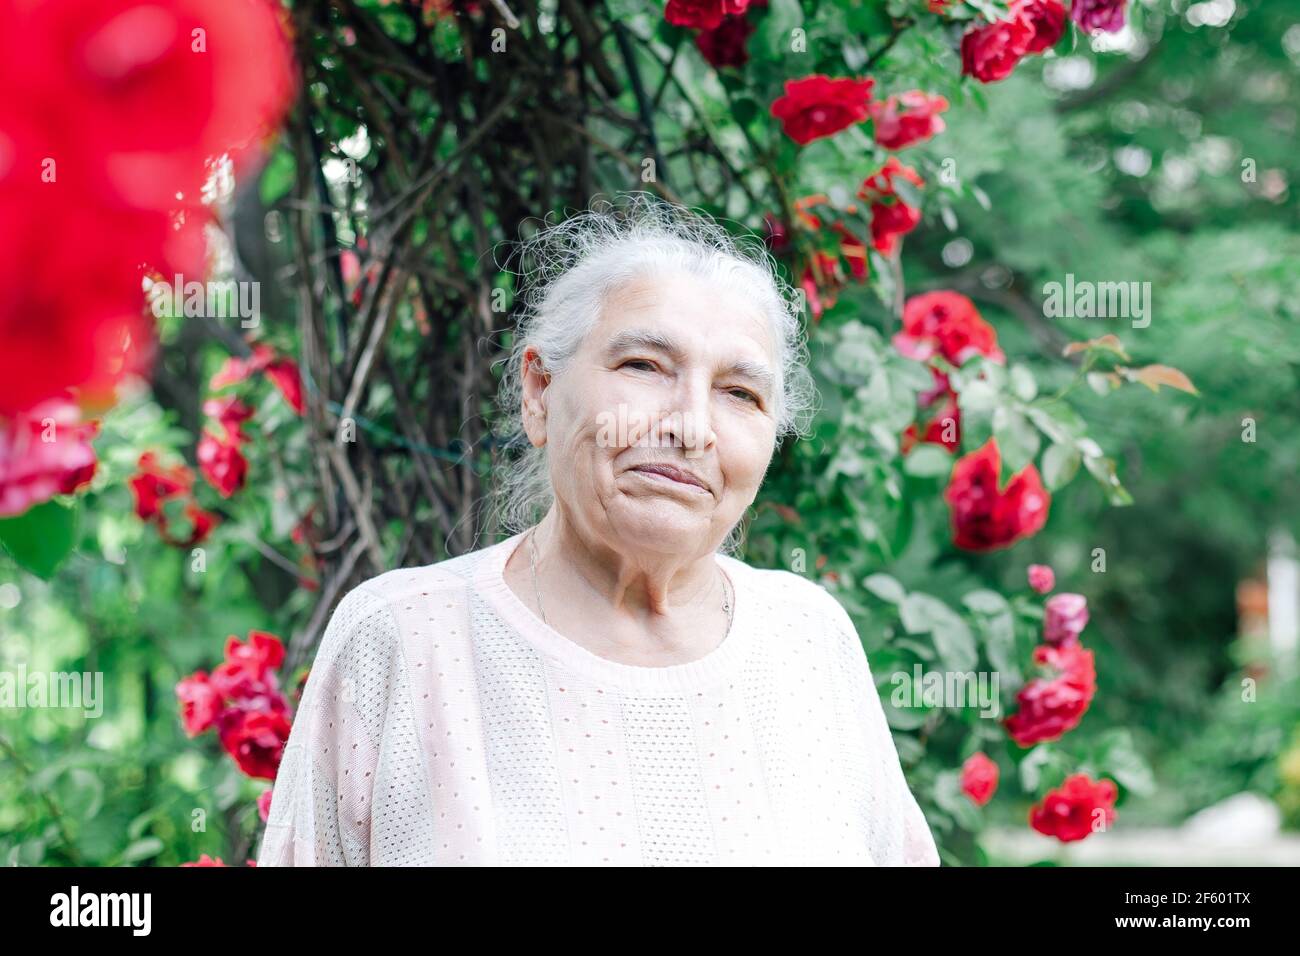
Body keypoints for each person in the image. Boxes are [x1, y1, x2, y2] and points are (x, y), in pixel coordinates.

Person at [256, 193, 941, 866]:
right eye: (643, 366)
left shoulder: (809, 640)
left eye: (740, 393)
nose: (691, 427)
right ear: (539, 392)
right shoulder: (401, 638)